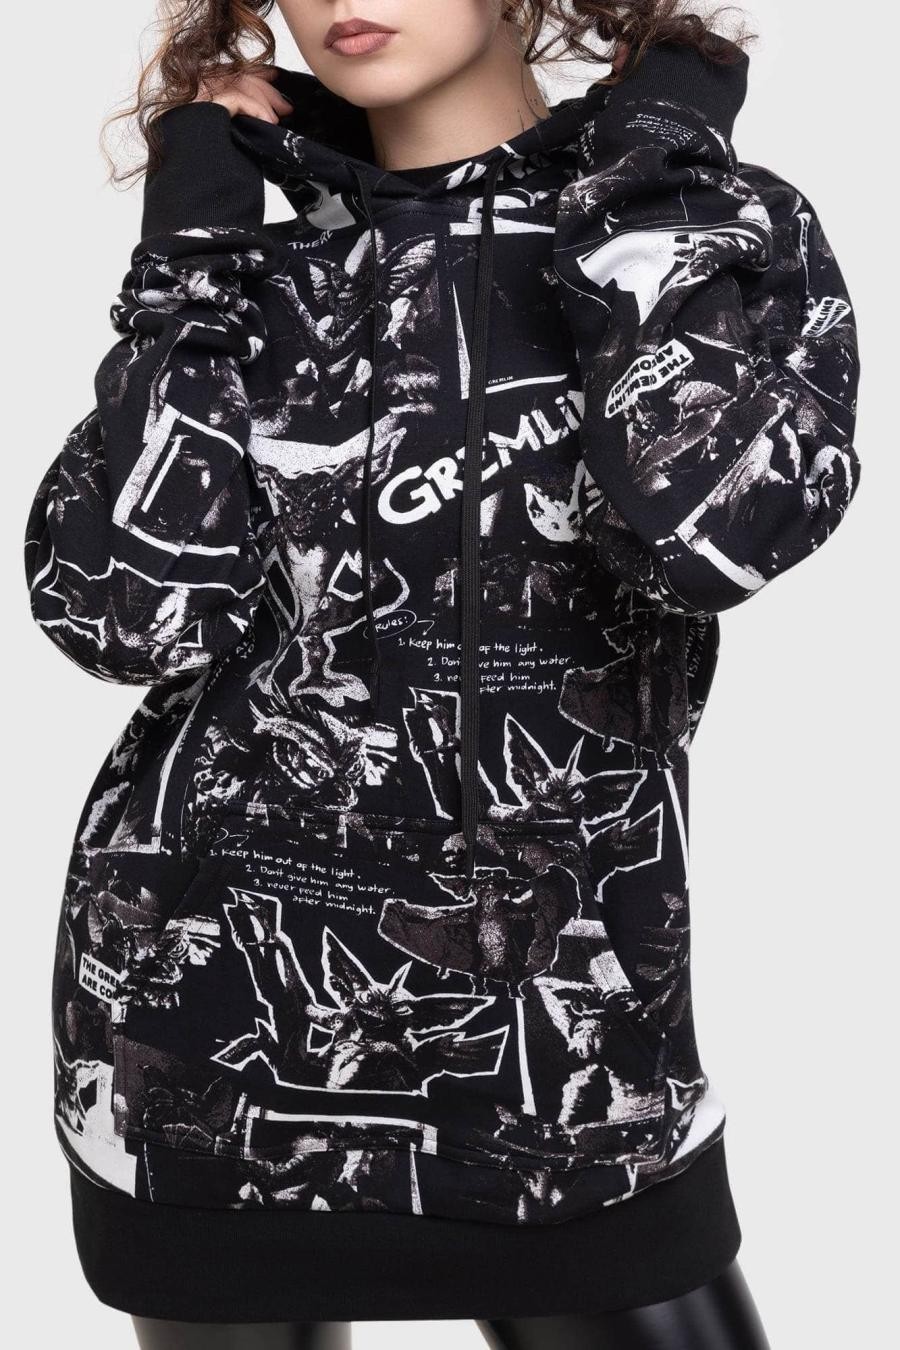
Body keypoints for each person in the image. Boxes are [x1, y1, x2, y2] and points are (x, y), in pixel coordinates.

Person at [23, 2, 860, 1347]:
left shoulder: (708, 229)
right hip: (209, 1050)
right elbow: (126, 618)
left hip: (574, 1066)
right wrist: (194, 245)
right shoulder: (250, 274)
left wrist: (649, 167)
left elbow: (708, 530)